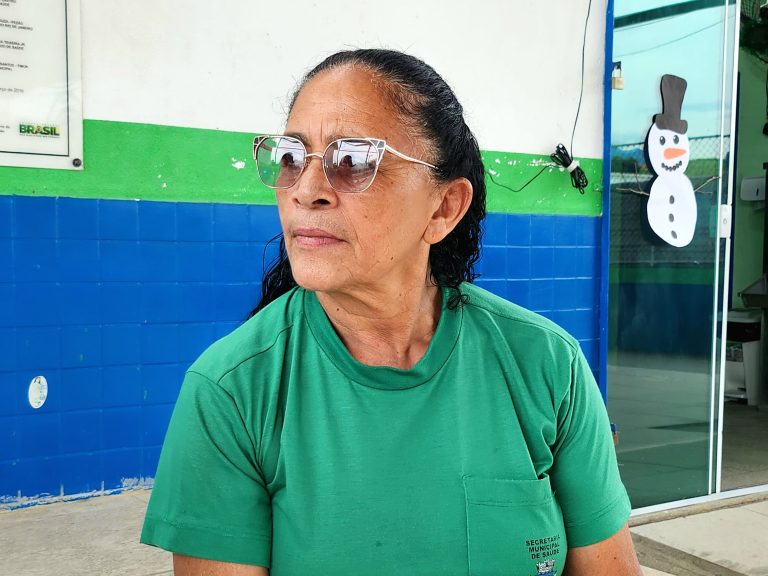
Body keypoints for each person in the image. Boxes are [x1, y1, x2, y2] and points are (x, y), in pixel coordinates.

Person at [140, 48, 642, 576]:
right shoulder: (231, 392)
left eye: (354, 161)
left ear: (444, 207)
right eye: (291, 157)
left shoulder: (547, 366)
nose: (306, 191)